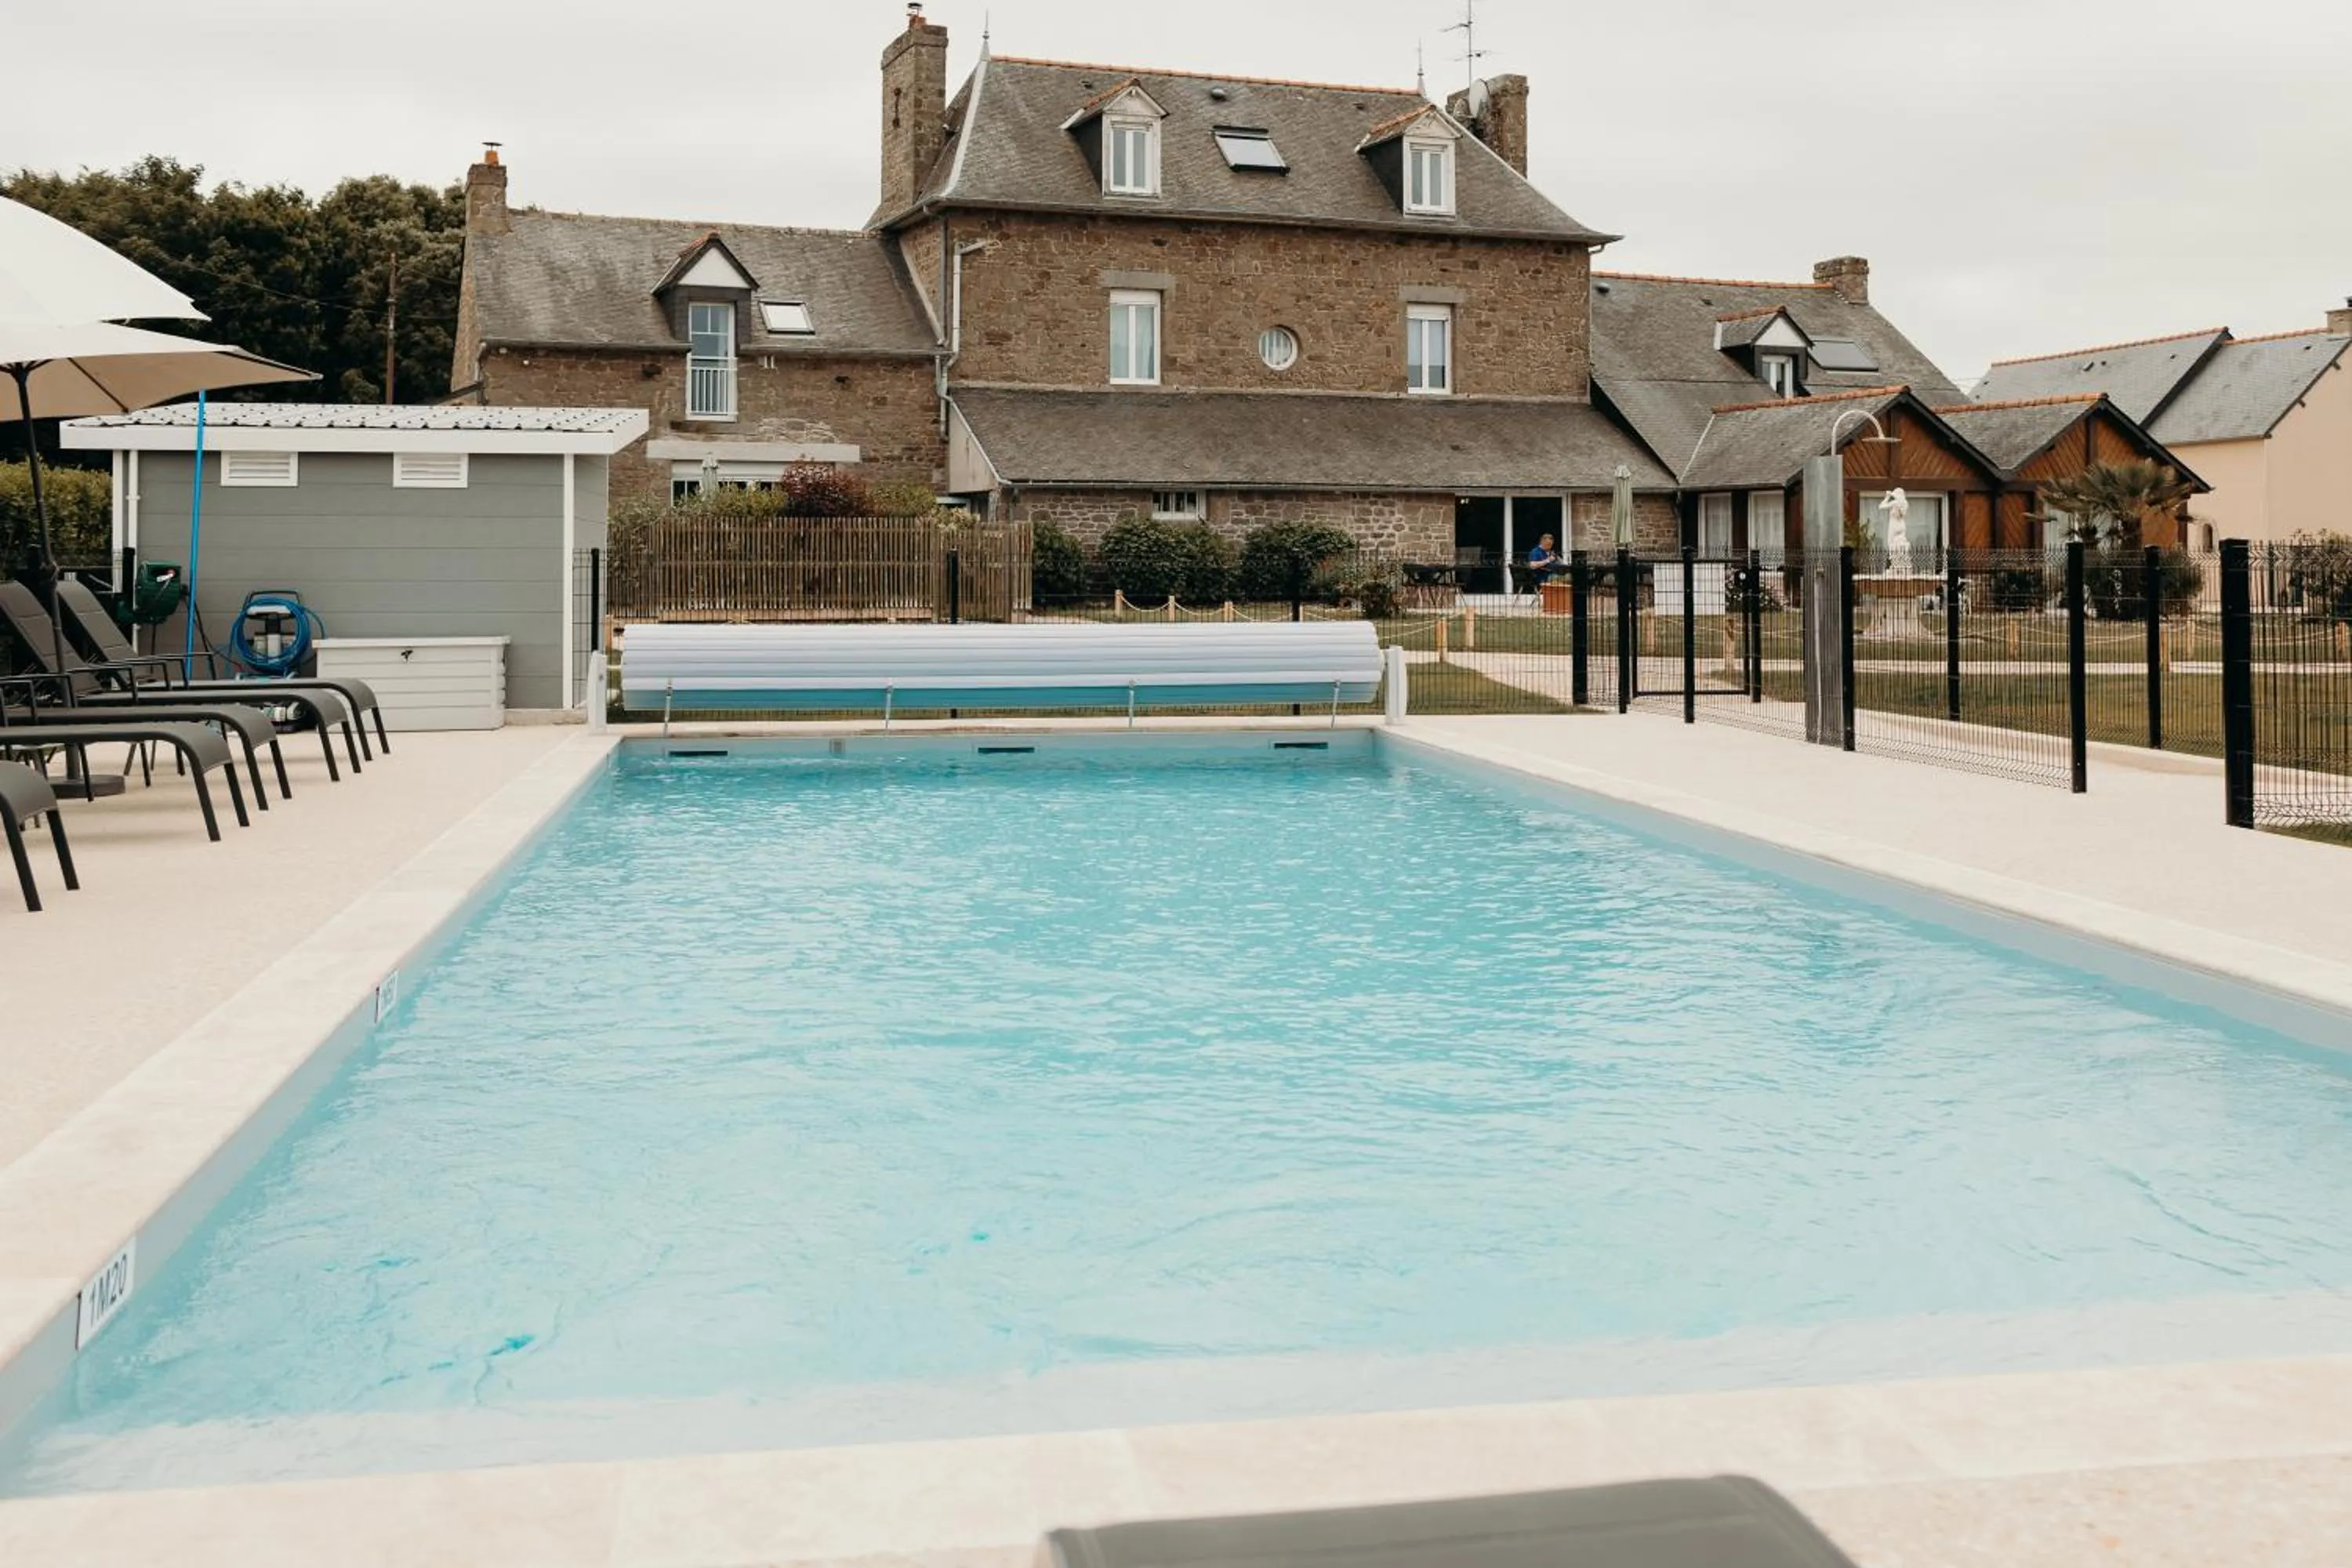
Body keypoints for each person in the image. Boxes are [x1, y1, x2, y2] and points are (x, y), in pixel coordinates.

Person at [1523, 534, 1560, 599]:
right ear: (1542, 542)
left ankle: (1558, 601)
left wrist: (1558, 559)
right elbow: (1532, 565)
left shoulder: (1549, 552)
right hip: (1541, 576)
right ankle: (1554, 601)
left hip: (1553, 574)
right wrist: (1548, 560)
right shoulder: (1535, 552)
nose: (1550, 546)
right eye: (1548, 544)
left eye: (1551, 545)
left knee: (1568, 577)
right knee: (1566, 579)